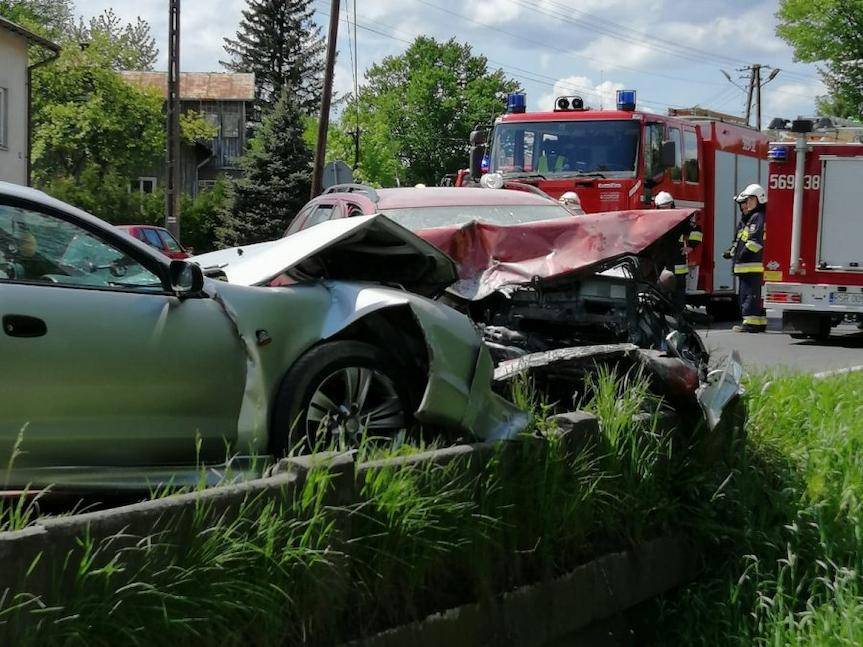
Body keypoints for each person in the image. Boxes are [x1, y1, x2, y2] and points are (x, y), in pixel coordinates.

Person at [724, 183, 767, 333]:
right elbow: (741, 241)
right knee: (750, 295)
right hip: (747, 266)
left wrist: (741, 256)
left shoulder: (757, 217)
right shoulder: (748, 219)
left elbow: (755, 242)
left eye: (750, 200)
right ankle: (758, 322)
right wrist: (732, 252)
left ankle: (750, 323)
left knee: (748, 295)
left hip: (751, 265)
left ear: (759, 199)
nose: (746, 204)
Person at [654, 191, 702, 309]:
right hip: (660, 262)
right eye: (662, 207)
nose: (665, 210)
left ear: (672, 205)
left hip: (677, 262)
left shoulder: (681, 218)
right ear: (657, 207)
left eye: (667, 206)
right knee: (659, 292)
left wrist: (691, 246)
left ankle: (678, 314)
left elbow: (696, 230)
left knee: (678, 294)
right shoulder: (654, 219)